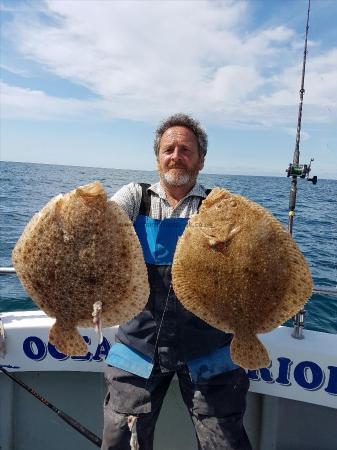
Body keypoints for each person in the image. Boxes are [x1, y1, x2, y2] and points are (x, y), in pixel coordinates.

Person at [101, 113, 252, 450]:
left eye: (186, 149)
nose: (176, 155)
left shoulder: (220, 206)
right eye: (168, 149)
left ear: (200, 161)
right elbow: (103, 227)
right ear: (157, 158)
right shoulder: (134, 198)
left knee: (224, 442)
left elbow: (248, 264)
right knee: (122, 439)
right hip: (139, 343)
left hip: (208, 345)